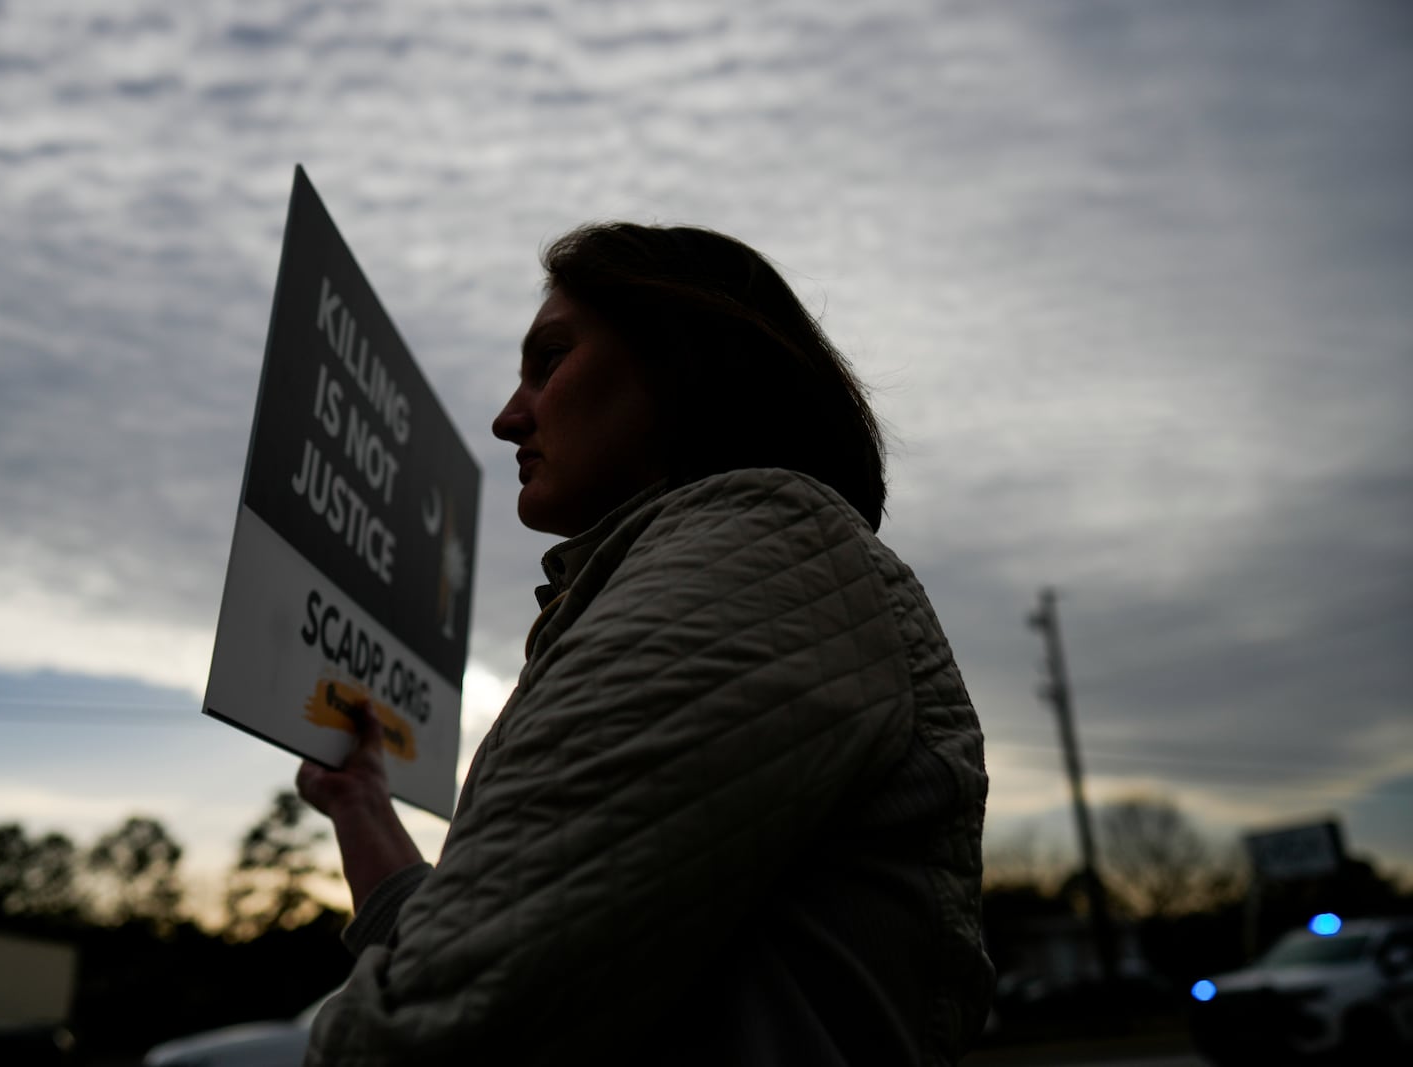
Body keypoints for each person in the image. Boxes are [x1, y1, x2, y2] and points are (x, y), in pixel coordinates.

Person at [297, 223, 994, 1066]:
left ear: (685, 361)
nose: (507, 417)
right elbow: (490, 960)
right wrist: (364, 806)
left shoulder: (760, 557)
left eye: (549, 361)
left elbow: (424, 1033)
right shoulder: (727, 574)